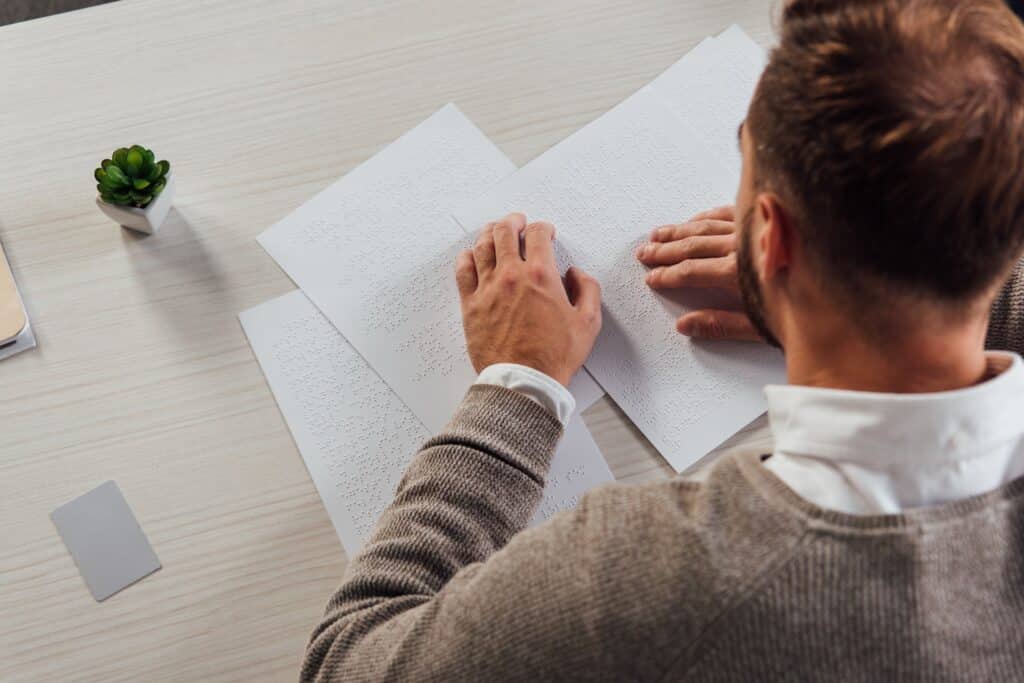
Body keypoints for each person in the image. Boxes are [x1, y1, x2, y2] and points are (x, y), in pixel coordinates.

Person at [301, 0, 1024, 680]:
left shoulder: (652, 576)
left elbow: (350, 661)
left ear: (770, 238)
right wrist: (886, 290)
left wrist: (515, 384)